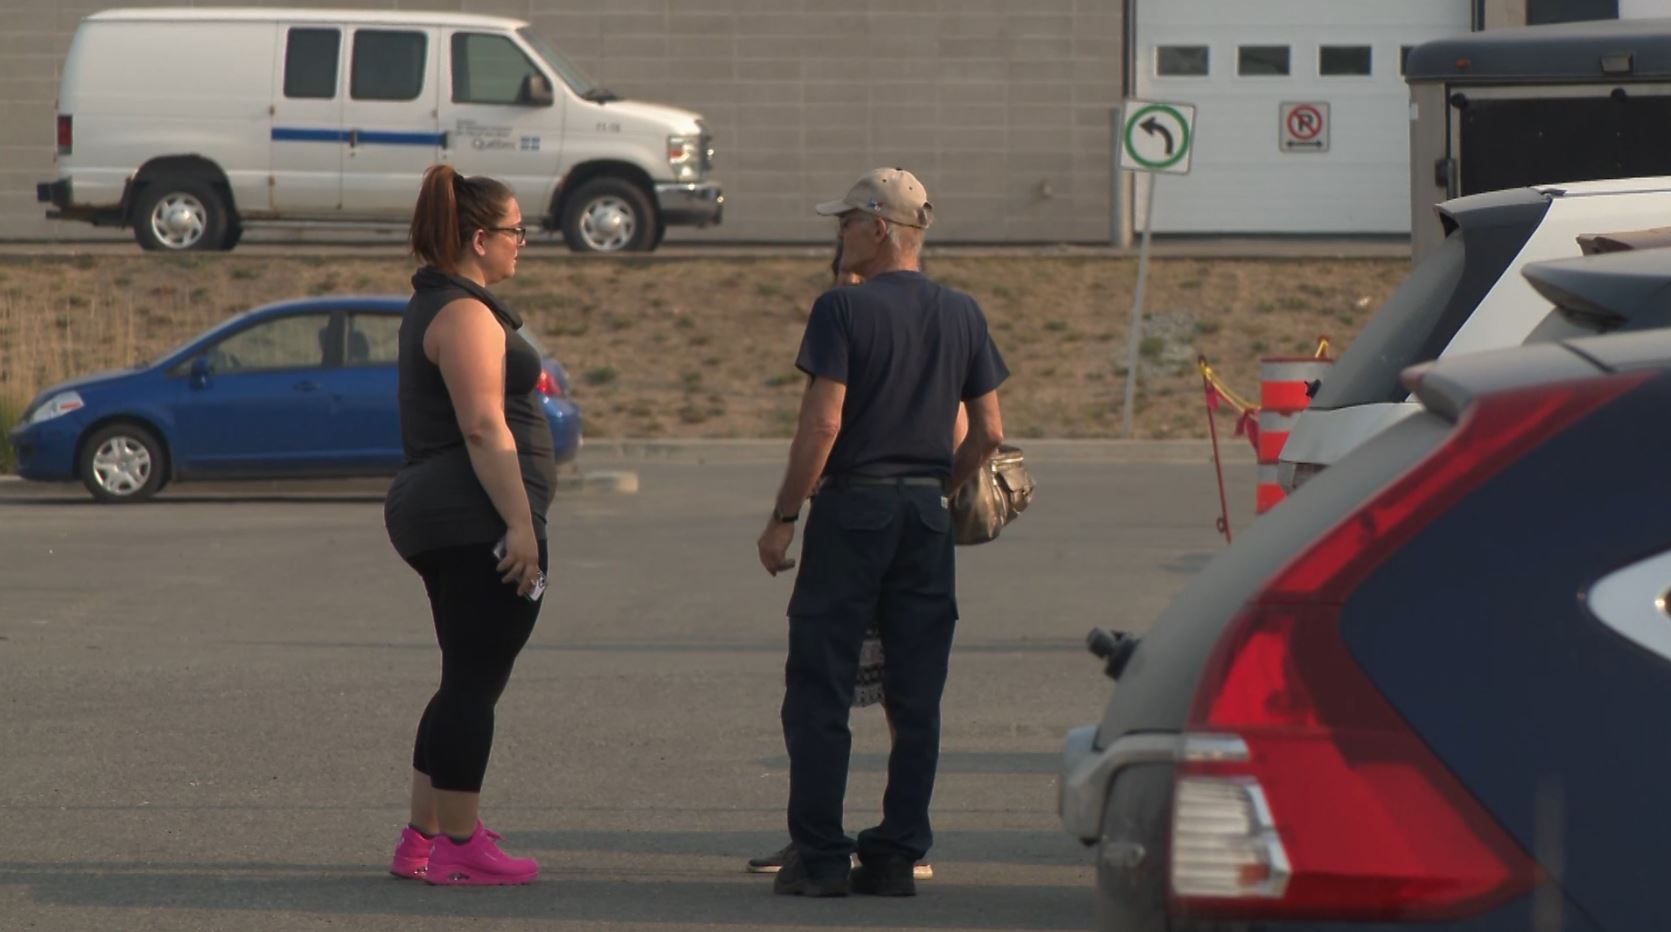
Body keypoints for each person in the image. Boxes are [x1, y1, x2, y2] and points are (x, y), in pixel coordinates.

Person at [756, 168, 1008, 898]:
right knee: (915, 692)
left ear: (879, 228)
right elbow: (989, 433)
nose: (838, 236)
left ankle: (821, 856)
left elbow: (823, 421)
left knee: (820, 687)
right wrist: (939, 488)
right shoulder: (962, 312)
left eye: (844, 223)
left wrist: (782, 516)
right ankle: (897, 853)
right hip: (922, 518)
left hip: (852, 510)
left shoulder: (841, 309)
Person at [382, 163, 555, 887]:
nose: (524, 243)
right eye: (516, 231)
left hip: (444, 508)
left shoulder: (444, 305)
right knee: (475, 682)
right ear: (479, 238)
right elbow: (484, 427)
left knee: (462, 677)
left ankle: (421, 838)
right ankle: (460, 841)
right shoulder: (463, 314)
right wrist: (519, 525)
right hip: (468, 510)